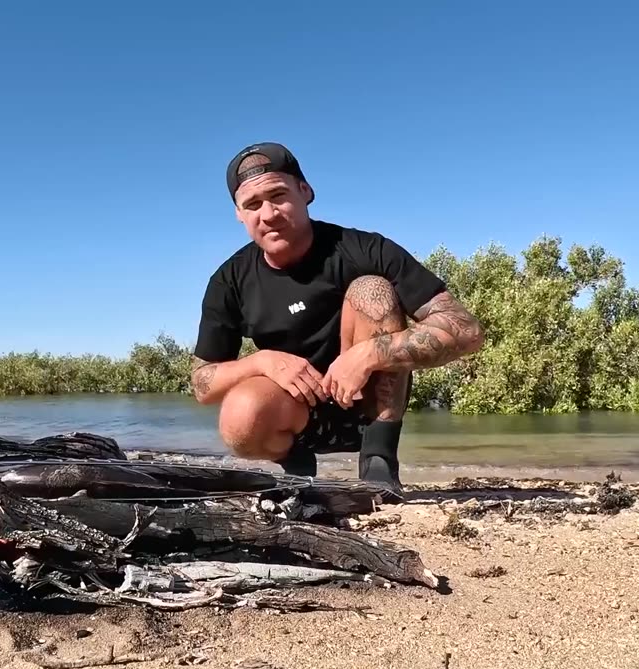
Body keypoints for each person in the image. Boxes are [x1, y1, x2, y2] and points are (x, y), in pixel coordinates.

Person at [190, 142, 485, 496]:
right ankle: (296, 464)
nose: (267, 214)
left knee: (370, 289)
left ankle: (378, 459)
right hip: (299, 413)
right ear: (239, 213)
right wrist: (263, 361)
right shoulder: (230, 280)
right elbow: (203, 383)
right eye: (252, 205)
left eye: (278, 195)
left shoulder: (364, 249)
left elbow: (467, 331)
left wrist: (367, 355)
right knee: (239, 413)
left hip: (367, 405)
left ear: (305, 191)